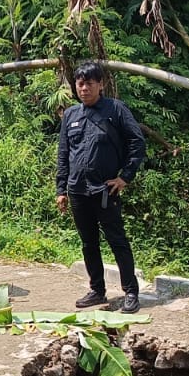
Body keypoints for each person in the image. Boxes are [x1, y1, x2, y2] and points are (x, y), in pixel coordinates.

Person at [57, 61, 147, 315]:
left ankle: (130, 291)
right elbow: (64, 154)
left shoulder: (115, 110)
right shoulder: (71, 115)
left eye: (89, 83)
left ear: (101, 84)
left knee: (117, 240)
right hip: (77, 190)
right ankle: (97, 289)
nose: (84, 88)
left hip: (106, 190)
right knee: (88, 242)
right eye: (80, 83)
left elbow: (137, 144)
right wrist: (61, 190)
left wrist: (125, 177)